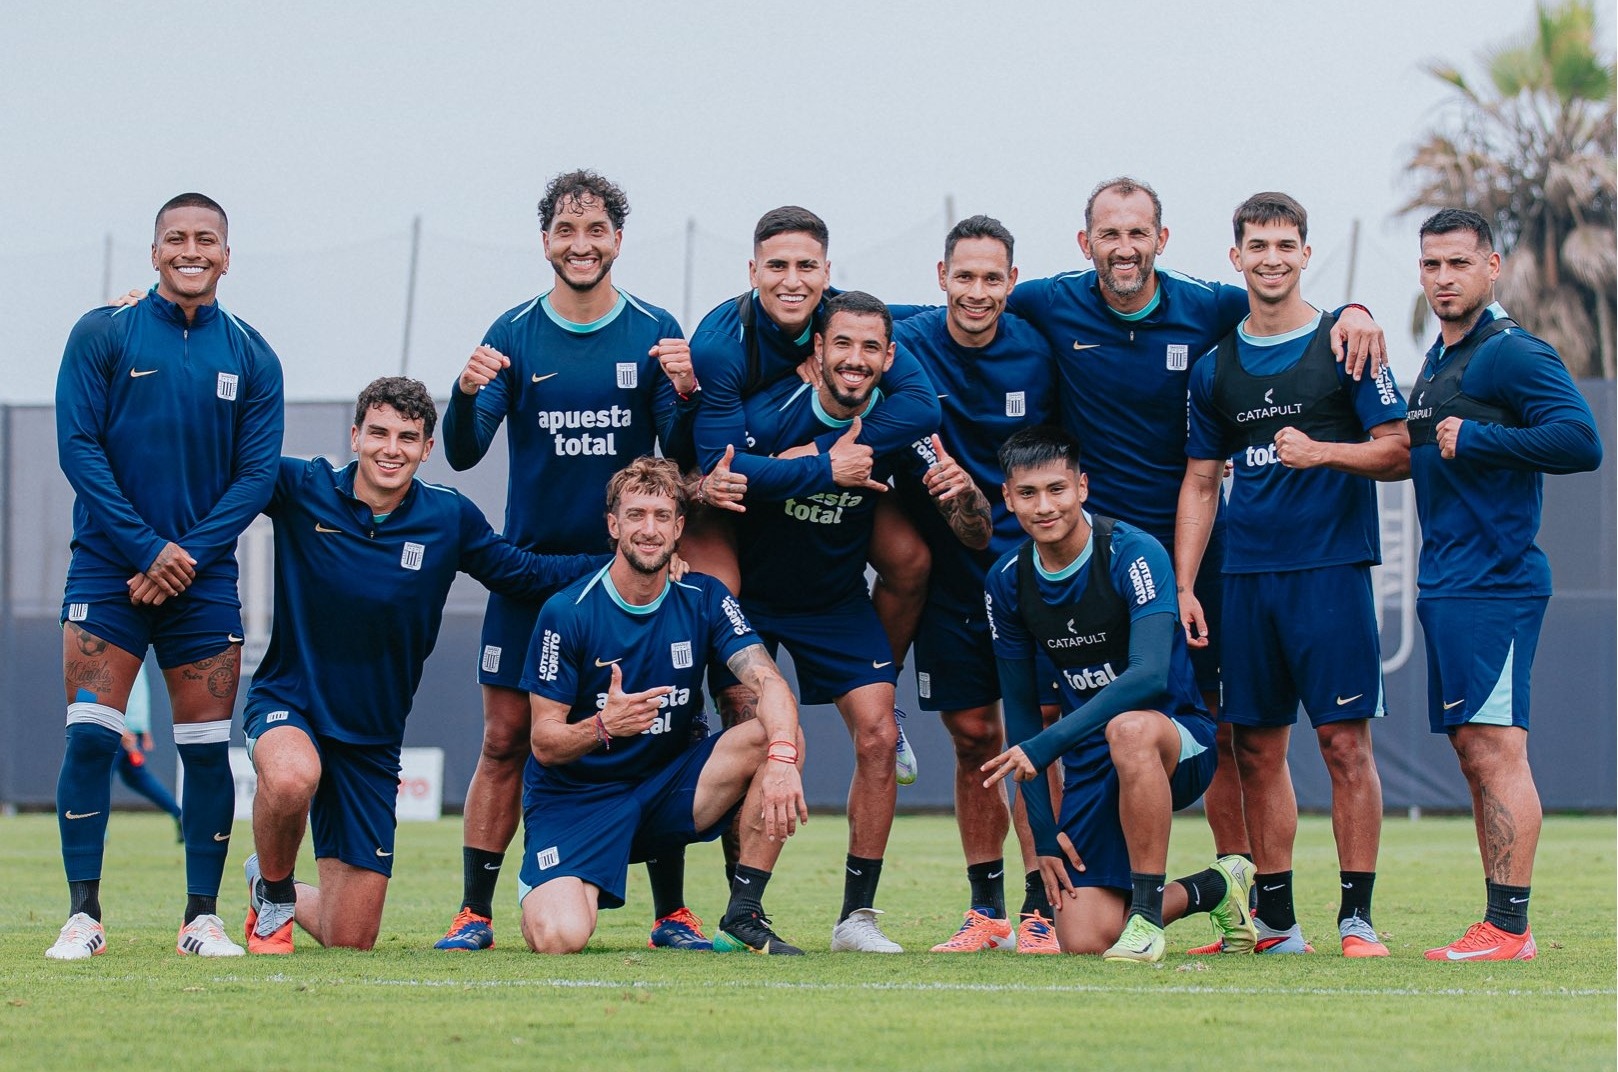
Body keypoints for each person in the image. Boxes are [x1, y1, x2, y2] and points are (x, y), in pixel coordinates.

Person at [1006, 177, 1388, 883]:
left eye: (1138, 233)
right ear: (1085, 242)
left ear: (1163, 239)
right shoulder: (1047, 301)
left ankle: (1241, 891)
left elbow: (1285, 302)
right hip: (1089, 556)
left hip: (1197, 559)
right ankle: (1045, 895)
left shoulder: (1209, 307)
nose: (1125, 248)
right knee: (1061, 713)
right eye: (1110, 234)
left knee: (1224, 730)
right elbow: (961, 309)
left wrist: (1356, 309)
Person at [240, 377, 610, 952]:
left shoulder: (448, 518)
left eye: (408, 438)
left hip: (372, 737)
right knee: (291, 778)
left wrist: (625, 563)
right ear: (356, 434)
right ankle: (276, 893)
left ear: (427, 448)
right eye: (380, 433)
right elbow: (219, 460)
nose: (392, 449)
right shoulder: (300, 486)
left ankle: (267, 879)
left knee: (350, 938)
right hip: (292, 703)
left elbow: (523, 574)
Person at [436, 170, 704, 952]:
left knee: (660, 734)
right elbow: (462, 449)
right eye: (566, 230)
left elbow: (679, 457)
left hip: (626, 577)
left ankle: (672, 913)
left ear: (618, 240)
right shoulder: (514, 332)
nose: (581, 245)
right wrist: (461, 392)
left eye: (596, 231)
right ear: (545, 240)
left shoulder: (653, 328)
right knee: (502, 739)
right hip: (533, 574)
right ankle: (474, 911)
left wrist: (684, 394)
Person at [709, 291, 990, 953]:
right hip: (756, 602)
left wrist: (965, 496)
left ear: (889, 358)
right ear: (816, 354)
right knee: (759, 741)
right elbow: (720, 476)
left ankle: (855, 919)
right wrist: (803, 467)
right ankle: (742, 911)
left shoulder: (900, 428)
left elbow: (973, 534)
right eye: (843, 345)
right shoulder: (769, 413)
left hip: (835, 604)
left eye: (870, 348)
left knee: (876, 735)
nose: (855, 359)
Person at [47, 192, 284, 961]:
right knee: (90, 743)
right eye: (176, 238)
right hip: (108, 571)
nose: (192, 250)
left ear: (226, 253)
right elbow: (78, 448)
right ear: (154, 253)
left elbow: (254, 480)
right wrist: (148, 549)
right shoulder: (102, 332)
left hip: (202, 581)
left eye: (206, 239)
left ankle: (200, 919)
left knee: (207, 750)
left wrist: (180, 556)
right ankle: (83, 917)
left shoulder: (253, 353)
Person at [1175, 193, 1410, 957]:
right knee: (1255, 750)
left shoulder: (1348, 343)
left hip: (1331, 572)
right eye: (1256, 245)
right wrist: (1183, 585)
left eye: (1285, 244)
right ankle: (1278, 923)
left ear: (1307, 254)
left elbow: (1399, 451)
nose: (1271, 258)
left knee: (1345, 746)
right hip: (1245, 579)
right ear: (1235, 258)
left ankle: (1357, 918)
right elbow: (1201, 482)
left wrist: (1323, 452)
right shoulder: (1215, 369)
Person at [684, 206, 942, 784]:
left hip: (825, 481)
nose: (792, 280)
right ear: (753, 271)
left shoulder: (847, 323)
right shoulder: (722, 345)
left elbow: (924, 407)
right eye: (777, 266)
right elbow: (720, 471)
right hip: (718, 494)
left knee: (911, 558)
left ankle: (883, 697)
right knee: (719, 587)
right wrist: (825, 467)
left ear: (827, 272)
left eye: (807, 266)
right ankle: (694, 709)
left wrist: (843, 453)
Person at [1406, 209, 1601, 962]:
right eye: (1431, 266)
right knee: (1472, 751)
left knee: (1496, 752)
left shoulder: (1513, 353)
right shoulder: (1437, 360)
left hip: (1496, 582)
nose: (1444, 278)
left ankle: (1510, 928)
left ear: (1492, 267)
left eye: (1458, 263)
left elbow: (1582, 441)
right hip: (1448, 582)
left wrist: (1480, 438)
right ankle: (1499, 922)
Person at [981, 426, 1254, 962]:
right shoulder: (1007, 580)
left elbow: (1149, 676)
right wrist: (1041, 836)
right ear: (1008, 499)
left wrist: (1043, 746)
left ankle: (1147, 919)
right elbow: (1020, 712)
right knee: (1083, 939)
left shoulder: (1133, 552)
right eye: (1028, 494)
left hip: (1175, 741)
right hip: (1090, 760)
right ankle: (1218, 887)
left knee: (1127, 727)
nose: (1044, 506)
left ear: (1082, 487)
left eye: (1057, 489)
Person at [518, 457, 808, 954]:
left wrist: (783, 759)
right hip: (578, 803)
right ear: (613, 525)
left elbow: (769, 681)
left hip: (665, 794)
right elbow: (544, 741)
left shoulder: (704, 596)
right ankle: (550, 884)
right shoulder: (567, 611)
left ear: (678, 528)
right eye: (635, 515)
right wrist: (604, 726)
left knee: (777, 731)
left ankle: (743, 913)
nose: (648, 530)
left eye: (660, 516)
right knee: (559, 937)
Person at [888, 216, 1065, 954]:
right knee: (971, 740)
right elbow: (821, 310)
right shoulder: (911, 337)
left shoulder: (1038, 345)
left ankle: (1042, 906)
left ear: (1012, 284)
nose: (978, 292)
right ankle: (985, 908)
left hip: (1033, 577)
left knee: (1039, 739)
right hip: (953, 579)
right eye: (965, 276)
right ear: (940, 277)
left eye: (993, 278)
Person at [116, 665, 183, 840]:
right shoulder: (136, 652)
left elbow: (115, 690)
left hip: (118, 729)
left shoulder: (118, 648)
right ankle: (180, 815)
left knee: (98, 780)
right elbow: (140, 693)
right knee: (136, 777)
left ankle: (95, 830)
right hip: (130, 729)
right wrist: (143, 728)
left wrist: (122, 729)